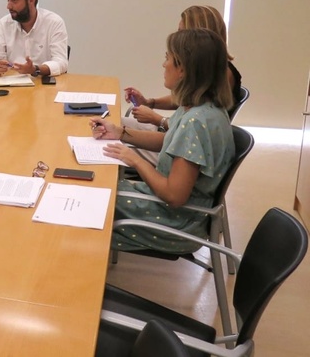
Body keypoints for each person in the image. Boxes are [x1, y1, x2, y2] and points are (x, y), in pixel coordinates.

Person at [90, 28, 235, 253]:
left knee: (90, 206)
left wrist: (136, 160)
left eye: (168, 58)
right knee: (95, 190)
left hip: (175, 222)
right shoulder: (205, 108)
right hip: (174, 211)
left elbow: (174, 196)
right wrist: (120, 133)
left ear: (184, 69)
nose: (163, 64)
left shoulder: (195, 122)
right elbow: (168, 141)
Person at [124, 5, 242, 130]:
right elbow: (188, 98)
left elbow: (190, 128)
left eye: (182, 31)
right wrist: (149, 103)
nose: (178, 37)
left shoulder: (223, 74)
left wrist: (158, 119)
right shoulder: (209, 73)